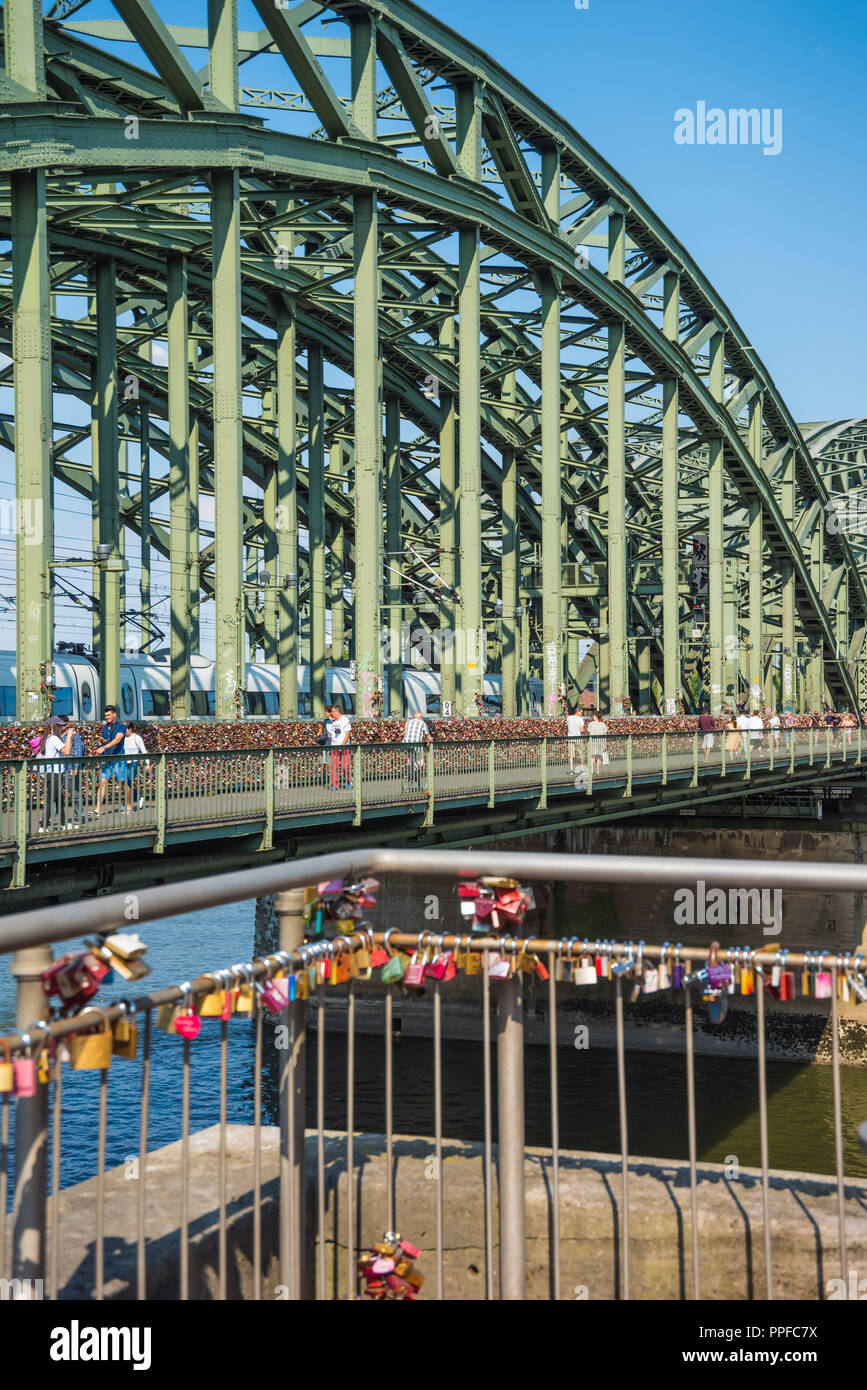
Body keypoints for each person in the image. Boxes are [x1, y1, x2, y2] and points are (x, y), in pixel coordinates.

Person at [37, 716, 73, 832]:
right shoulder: (54, 739)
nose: (62, 727)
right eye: (60, 725)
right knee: (51, 800)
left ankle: (63, 824)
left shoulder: (48, 738)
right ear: (54, 726)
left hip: (52, 772)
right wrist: (70, 738)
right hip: (55, 773)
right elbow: (67, 751)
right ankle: (43, 827)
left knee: (59, 799)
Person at [94, 705, 128, 816]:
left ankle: (128, 805)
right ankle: (98, 809)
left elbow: (118, 740)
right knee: (102, 783)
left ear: (114, 714)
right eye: (106, 715)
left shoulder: (121, 726)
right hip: (106, 758)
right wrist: (102, 742)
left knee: (122, 782)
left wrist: (104, 747)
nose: (107, 717)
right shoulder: (104, 727)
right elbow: (106, 741)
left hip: (118, 758)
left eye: (109, 715)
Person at [61, 715, 86, 828]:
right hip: (59, 768)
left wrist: (75, 767)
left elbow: (78, 751)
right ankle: (49, 816)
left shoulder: (74, 736)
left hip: (70, 767)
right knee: (54, 794)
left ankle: (79, 816)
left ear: (66, 724)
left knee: (74, 793)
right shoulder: (56, 735)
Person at [402, 710, 431, 796]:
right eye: (422, 717)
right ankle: (414, 770)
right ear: (419, 717)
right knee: (421, 761)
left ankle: (410, 770)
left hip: (406, 745)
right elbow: (427, 736)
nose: (422, 719)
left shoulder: (407, 723)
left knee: (410, 761)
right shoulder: (422, 723)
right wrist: (433, 743)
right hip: (416, 745)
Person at [123, 723, 150, 812]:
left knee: (128, 782)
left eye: (125, 729)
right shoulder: (122, 737)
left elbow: (143, 750)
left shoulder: (137, 738)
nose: (124, 730)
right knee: (125, 783)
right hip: (123, 763)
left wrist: (147, 763)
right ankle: (138, 798)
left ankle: (127, 804)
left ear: (130, 729)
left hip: (133, 763)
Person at [327, 703, 352, 790]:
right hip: (334, 746)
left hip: (344, 746)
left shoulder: (345, 720)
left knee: (345, 766)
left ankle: (349, 781)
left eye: (333, 712)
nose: (331, 713)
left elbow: (347, 734)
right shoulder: (333, 721)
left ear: (337, 712)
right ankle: (334, 784)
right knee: (333, 766)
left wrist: (342, 746)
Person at [586, 708, 608, 776]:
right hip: (601, 742)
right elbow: (605, 735)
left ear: (596, 716)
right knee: (599, 757)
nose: (593, 717)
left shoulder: (591, 724)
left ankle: (591, 770)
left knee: (592, 757)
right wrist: (605, 744)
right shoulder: (603, 724)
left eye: (594, 715)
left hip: (592, 742)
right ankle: (598, 770)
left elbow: (588, 733)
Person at [566, 703, 586, 773]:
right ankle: (582, 770)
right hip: (579, 738)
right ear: (577, 712)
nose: (582, 714)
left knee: (571, 755)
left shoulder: (568, 718)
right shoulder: (580, 719)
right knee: (581, 754)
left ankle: (571, 770)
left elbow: (568, 726)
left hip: (570, 738)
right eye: (581, 712)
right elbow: (582, 730)